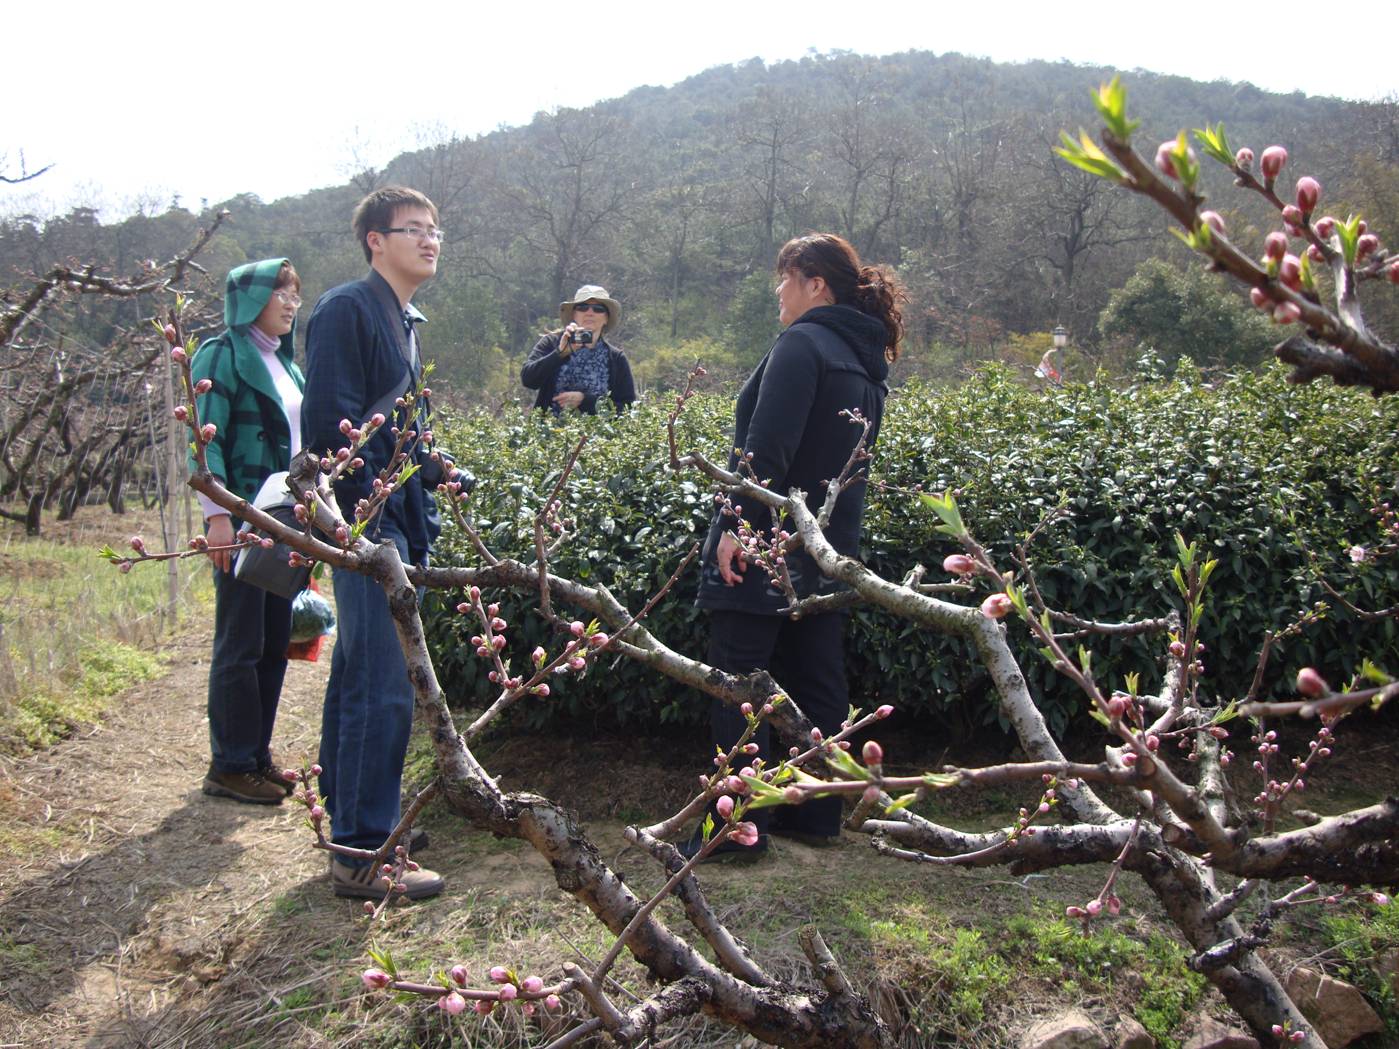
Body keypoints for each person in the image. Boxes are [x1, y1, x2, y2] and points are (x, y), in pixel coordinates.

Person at [687, 233, 905, 862]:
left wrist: (736, 525)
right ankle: (816, 816)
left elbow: (766, 449)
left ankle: (733, 831)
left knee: (738, 677)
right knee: (817, 676)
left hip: (768, 544)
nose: (777, 293)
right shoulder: (864, 361)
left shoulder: (802, 342)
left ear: (816, 284)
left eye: (784, 279)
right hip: (829, 547)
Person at [301, 186, 447, 900]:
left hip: (393, 522)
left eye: (433, 229)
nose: (428, 239)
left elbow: (401, 429)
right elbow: (332, 429)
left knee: (365, 672)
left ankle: (358, 824)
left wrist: (441, 467)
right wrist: (367, 527)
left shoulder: (404, 318)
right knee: (379, 682)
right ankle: (362, 850)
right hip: (366, 526)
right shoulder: (345, 309)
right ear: (373, 240)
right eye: (411, 229)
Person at [191, 258, 305, 806]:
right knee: (240, 641)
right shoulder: (220, 353)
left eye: (294, 293)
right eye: (278, 291)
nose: (289, 301)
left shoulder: (286, 361)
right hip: (241, 517)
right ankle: (229, 764)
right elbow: (203, 439)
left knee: (273, 642)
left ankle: (256, 756)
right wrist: (217, 517)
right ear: (248, 298)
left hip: (285, 520)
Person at [521, 284, 635, 414]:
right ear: (574, 314)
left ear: (606, 318)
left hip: (599, 433)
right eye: (583, 307)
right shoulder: (551, 343)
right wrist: (559, 354)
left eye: (598, 309)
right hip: (549, 432)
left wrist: (585, 401)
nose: (590, 313)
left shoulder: (616, 358)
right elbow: (528, 380)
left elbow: (628, 409)